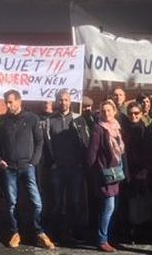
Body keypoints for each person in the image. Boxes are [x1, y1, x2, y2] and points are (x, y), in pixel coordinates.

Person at [0, 89, 54, 249]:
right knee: (12, 203)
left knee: (37, 202)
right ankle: (15, 233)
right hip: (9, 169)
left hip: (27, 167)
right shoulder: (2, 120)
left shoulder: (32, 118)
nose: (8, 105)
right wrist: (0, 160)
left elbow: (39, 142)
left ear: (19, 101)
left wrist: (33, 162)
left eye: (11, 102)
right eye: (6, 102)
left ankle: (39, 232)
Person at [43, 89, 89, 244]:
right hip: (58, 168)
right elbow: (46, 144)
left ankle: (73, 232)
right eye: (60, 100)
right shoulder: (50, 120)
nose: (63, 102)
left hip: (75, 167)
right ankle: (56, 233)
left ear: (70, 101)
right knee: (56, 202)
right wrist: (52, 163)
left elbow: (86, 142)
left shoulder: (78, 119)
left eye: (66, 100)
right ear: (57, 101)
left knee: (74, 201)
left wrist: (82, 162)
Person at [87, 100, 125, 253]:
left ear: (114, 111)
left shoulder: (116, 127)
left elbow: (120, 150)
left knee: (111, 207)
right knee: (108, 207)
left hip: (116, 171)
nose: (106, 113)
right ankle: (102, 240)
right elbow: (91, 153)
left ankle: (107, 236)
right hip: (105, 174)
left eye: (109, 110)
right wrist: (93, 173)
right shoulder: (98, 128)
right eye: (103, 111)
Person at [122, 102, 152, 241]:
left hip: (141, 170)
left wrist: (146, 169)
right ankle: (128, 231)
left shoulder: (146, 129)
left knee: (141, 202)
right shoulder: (123, 129)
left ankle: (141, 232)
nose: (133, 116)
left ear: (141, 113)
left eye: (136, 113)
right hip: (126, 169)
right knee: (128, 202)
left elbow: (150, 152)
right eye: (130, 113)